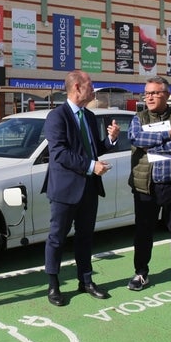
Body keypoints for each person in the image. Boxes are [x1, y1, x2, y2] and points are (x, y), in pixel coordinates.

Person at [42, 70, 120, 306]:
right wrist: (90, 166)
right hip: (65, 189)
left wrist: (111, 139)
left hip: (88, 188)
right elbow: (60, 154)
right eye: (90, 84)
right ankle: (53, 285)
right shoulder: (57, 117)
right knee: (57, 237)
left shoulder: (89, 116)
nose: (93, 88)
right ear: (77, 87)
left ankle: (85, 281)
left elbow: (95, 148)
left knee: (85, 237)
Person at [126, 76, 171, 297]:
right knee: (143, 233)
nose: (149, 97)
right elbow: (135, 138)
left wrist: (154, 146)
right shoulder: (139, 118)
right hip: (146, 187)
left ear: (166, 94)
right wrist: (166, 135)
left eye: (155, 93)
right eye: (147, 93)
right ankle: (140, 273)